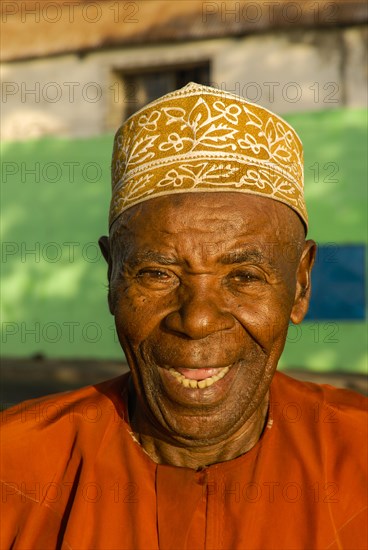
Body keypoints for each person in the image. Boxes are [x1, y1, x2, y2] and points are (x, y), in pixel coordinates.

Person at [1, 82, 367, 550]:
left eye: (244, 277)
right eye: (157, 273)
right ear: (112, 276)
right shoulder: (15, 467)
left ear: (300, 285)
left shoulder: (359, 455)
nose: (196, 320)